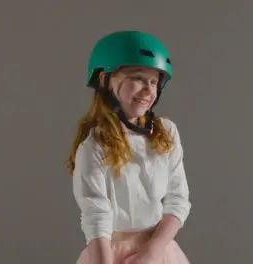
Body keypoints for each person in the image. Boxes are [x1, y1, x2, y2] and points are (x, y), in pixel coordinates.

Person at [67, 30, 191, 264]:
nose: (148, 90)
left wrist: (152, 252)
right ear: (105, 80)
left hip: (160, 251)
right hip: (110, 255)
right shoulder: (93, 147)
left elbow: (178, 200)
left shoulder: (166, 134)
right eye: (137, 78)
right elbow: (96, 217)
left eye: (154, 82)